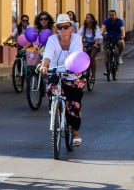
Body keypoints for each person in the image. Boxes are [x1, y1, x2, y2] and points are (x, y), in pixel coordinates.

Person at [39, 13, 86, 145]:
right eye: (60, 27)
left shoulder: (76, 38)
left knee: (74, 103)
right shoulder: (52, 40)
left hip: (72, 73)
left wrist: (77, 69)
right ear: (56, 28)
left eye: (65, 27)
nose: (63, 30)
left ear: (70, 27)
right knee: (50, 90)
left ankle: (75, 133)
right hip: (56, 71)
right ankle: (55, 113)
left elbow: (77, 53)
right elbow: (48, 54)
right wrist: (44, 66)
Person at [80, 13, 102, 81]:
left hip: (94, 44)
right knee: (82, 57)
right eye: (86, 18)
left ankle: (93, 75)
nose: (87, 19)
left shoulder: (96, 28)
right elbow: (79, 35)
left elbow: (97, 37)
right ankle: (82, 73)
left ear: (92, 20)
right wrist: (80, 44)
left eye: (88, 18)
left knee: (92, 58)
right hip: (86, 44)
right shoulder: (83, 27)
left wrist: (95, 44)